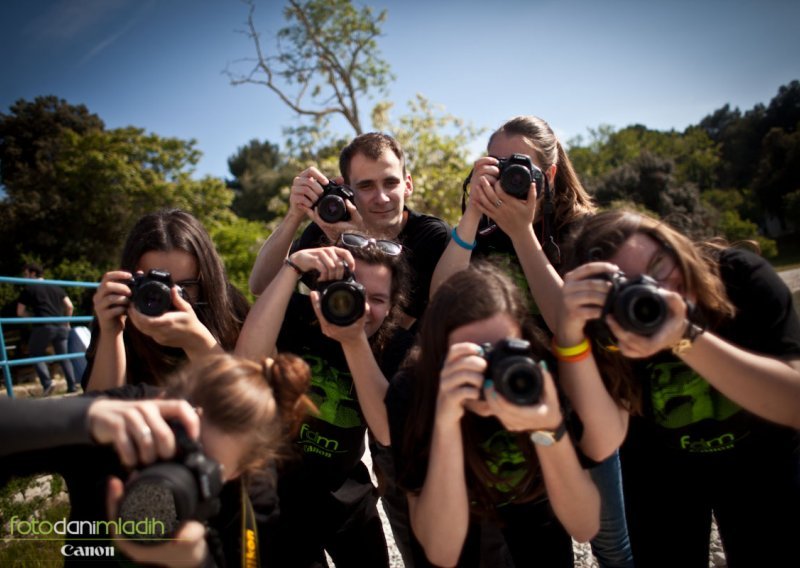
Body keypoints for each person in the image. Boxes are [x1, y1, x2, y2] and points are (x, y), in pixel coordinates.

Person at [430, 115, 633, 567]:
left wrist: (522, 234)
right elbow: (441, 303)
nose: (509, 176)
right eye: (497, 166)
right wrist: (472, 215)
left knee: (611, 541)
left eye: (520, 165)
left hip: (585, 400)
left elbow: (570, 324)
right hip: (518, 400)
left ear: (551, 173)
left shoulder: (583, 232)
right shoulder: (480, 233)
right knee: (538, 541)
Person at [558, 209, 800, 567]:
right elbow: (601, 443)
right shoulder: (606, 328)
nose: (658, 289)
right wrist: (570, 334)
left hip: (764, 462)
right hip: (662, 475)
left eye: (658, 264)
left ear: (675, 245)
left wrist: (684, 337)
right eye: (631, 285)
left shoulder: (740, 277)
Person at [1, 352, 312, 568]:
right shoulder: (120, 424)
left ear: (242, 470)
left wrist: (197, 562)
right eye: (177, 444)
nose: (172, 473)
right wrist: (83, 418)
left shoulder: (250, 496)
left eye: (200, 465)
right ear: (163, 405)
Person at [388, 263, 605, 568]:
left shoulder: (539, 376)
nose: (491, 369)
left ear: (524, 344)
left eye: (504, 351)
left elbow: (584, 527)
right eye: (473, 356)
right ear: (438, 357)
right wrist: (446, 424)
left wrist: (550, 428)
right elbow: (442, 552)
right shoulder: (412, 391)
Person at [236, 234, 412, 567]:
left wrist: (354, 341)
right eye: (356, 290)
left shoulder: (395, 345)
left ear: (391, 307)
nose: (364, 307)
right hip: (277, 488)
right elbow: (246, 361)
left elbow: (387, 432)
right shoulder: (296, 317)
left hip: (344, 488)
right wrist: (291, 268)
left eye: (377, 299)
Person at [248, 131, 449, 331]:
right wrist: (294, 215)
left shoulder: (431, 235)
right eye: (366, 186)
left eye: (390, 183)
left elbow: (394, 327)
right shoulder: (328, 227)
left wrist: (354, 243)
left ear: (408, 185)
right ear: (346, 189)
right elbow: (261, 286)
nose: (382, 198)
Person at [84, 208, 249, 391]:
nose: (169, 298)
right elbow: (98, 408)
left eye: (184, 287)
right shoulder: (119, 308)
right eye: (154, 285)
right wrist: (111, 332)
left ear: (207, 280)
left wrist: (197, 342)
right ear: (131, 279)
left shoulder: (229, 308)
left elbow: (249, 408)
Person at [16, 262, 78, 395]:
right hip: (61, 325)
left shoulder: (29, 289)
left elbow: (20, 312)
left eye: (26, 274)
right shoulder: (55, 286)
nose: (24, 277)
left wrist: (32, 318)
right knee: (64, 356)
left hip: (43, 326)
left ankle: (47, 383)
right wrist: (66, 322)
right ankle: (72, 385)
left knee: (35, 353)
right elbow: (70, 306)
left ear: (33, 273)